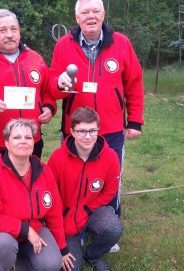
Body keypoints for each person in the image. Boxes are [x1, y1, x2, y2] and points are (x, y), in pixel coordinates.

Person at [48, 0, 144, 252]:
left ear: (103, 14)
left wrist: (134, 120)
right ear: (77, 17)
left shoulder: (121, 43)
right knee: (71, 181)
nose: (90, 16)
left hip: (111, 130)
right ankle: (74, 228)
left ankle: (106, 229)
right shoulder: (63, 45)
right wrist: (59, 83)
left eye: (95, 11)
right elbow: (52, 85)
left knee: (110, 179)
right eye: (85, 12)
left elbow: (134, 82)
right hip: (76, 130)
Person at [0, 118, 75, 271]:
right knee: (3, 246)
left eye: (28, 137)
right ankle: (4, 264)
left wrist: (62, 248)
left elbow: (53, 212)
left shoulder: (44, 171)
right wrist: (26, 230)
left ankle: (20, 259)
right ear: (7, 143)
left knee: (51, 264)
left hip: (34, 231)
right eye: (16, 137)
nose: (23, 141)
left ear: (33, 143)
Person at [0, 9, 56, 167]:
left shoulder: (35, 58)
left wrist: (48, 108)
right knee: (1, 188)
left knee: (32, 185)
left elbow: (47, 91)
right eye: (3, 30)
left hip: (32, 139)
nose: (9, 34)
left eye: (13, 29)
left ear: (19, 32)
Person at [47, 106, 123, 271]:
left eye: (92, 131)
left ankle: (93, 255)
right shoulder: (58, 158)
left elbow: (110, 191)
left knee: (114, 228)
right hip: (66, 219)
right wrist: (62, 220)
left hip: (92, 211)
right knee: (71, 268)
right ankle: (73, 246)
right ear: (72, 131)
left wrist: (87, 209)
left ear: (98, 130)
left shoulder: (110, 158)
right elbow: (50, 195)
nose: (88, 137)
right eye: (81, 131)